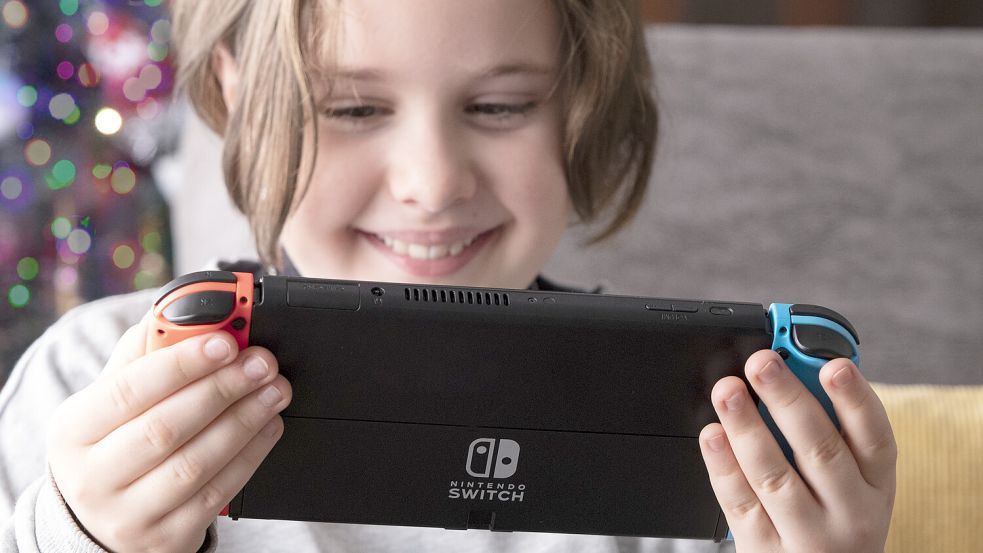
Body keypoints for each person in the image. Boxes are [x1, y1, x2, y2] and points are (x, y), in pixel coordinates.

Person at [0, 1, 897, 551]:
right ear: (236, 98)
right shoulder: (95, 378)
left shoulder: (703, 429)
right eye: (353, 107)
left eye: (500, 105)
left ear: (581, 104)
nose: (432, 185)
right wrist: (84, 536)